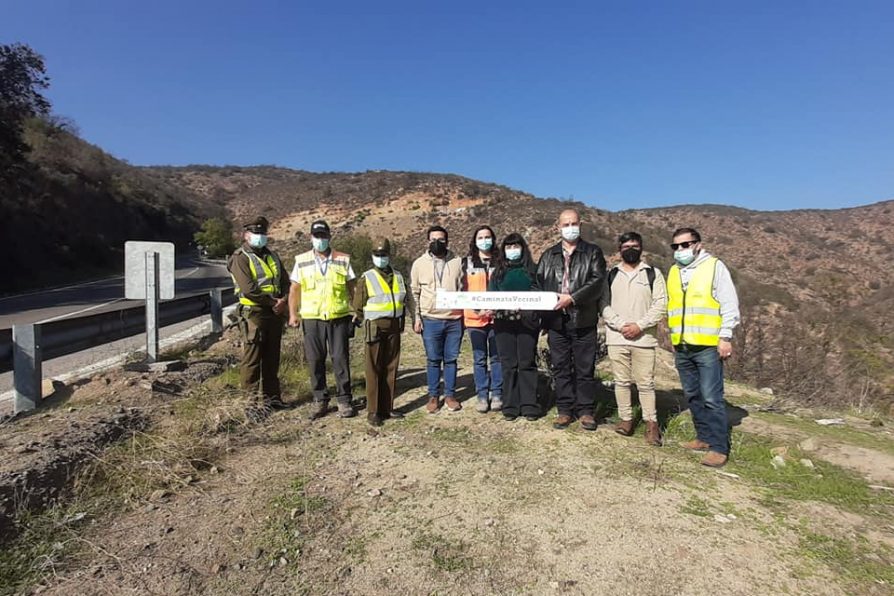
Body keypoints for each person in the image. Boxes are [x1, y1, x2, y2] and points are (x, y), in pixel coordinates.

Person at [666, 227, 740, 467]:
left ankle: (719, 447)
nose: (680, 250)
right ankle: (703, 437)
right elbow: (673, 308)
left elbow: (729, 303)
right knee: (693, 394)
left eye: (685, 245)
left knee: (711, 396)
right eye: (675, 246)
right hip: (683, 344)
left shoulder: (714, 267)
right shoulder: (674, 272)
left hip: (708, 345)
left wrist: (725, 337)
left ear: (698, 244)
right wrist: (674, 337)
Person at [536, 208, 607, 430]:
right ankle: (565, 409)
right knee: (561, 367)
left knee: (585, 368)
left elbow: (597, 282)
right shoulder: (549, 255)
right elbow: (538, 285)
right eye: (565, 224)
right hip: (556, 322)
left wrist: (573, 298)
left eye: (573, 224)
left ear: (580, 225)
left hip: (583, 320)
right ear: (558, 228)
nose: (570, 228)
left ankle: (585, 410)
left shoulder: (593, 252)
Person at [600, 232, 668, 445]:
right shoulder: (611, 274)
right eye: (626, 245)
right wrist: (621, 325)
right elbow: (603, 305)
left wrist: (640, 325)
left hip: (644, 338)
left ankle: (651, 424)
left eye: (635, 245)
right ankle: (626, 419)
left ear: (641, 248)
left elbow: (661, 304)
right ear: (619, 249)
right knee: (621, 381)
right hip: (617, 336)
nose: (631, 249)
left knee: (645, 383)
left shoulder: (652, 273)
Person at [288, 220, 357, 420]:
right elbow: (295, 289)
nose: (320, 240)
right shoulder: (301, 261)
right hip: (312, 318)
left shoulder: (342, 259)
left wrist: (357, 310)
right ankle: (320, 399)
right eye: (317, 236)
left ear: (329, 237)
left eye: (324, 236)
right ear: (311, 237)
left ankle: (344, 399)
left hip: (338, 317)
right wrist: (293, 314)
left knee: (340, 359)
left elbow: (352, 286)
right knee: (315, 360)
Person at [227, 216, 290, 422]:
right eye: (256, 233)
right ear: (246, 235)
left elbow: (285, 281)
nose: (260, 237)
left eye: (263, 233)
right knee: (252, 360)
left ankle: (273, 399)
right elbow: (249, 288)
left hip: (274, 313)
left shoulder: (272, 255)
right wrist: (274, 303)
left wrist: (284, 300)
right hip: (254, 313)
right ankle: (250, 405)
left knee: (272, 358)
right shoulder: (240, 257)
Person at [352, 238, 411, 427]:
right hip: (375, 326)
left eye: (384, 254)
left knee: (391, 367)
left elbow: (405, 298)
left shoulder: (399, 276)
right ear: (372, 256)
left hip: (394, 325)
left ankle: (388, 407)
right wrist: (363, 319)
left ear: (389, 255)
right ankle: (373, 411)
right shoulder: (367, 277)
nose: (381, 258)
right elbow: (358, 305)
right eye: (377, 255)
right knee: (374, 368)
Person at [410, 225, 464, 414]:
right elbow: (415, 292)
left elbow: (464, 288)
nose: (437, 243)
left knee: (451, 359)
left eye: (441, 240)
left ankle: (450, 395)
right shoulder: (419, 264)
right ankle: (433, 395)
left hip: (454, 319)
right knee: (433, 359)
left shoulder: (458, 262)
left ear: (447, 241)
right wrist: (417, 317)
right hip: (430, 319)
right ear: (427, 241)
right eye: (433, 239)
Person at [489, 233, 541, 421]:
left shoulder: (532, 271)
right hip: (503, 322)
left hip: (527, 322)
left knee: (526, 362)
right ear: (504, 250)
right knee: (508, 363)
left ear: (523, 248)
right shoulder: (498, 272)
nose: (512, 250)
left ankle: (529, 405)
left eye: (516, 246)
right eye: (509, 247)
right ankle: (510, 404)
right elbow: (491, 295)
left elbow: (539, 293)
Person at [462, 225, 503, 413]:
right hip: (474, 319)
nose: (484, 240)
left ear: (493, 239)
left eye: (488, 236)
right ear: (475, 240)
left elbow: (505, 289)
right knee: (479, 358)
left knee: (496, 357)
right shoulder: (467, 263)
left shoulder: (501, 261)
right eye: (481, 237)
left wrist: (495, 308)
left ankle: (497, 394)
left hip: (496, 318)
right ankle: (481, 395)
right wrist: (476, 309)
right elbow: (461, 290)